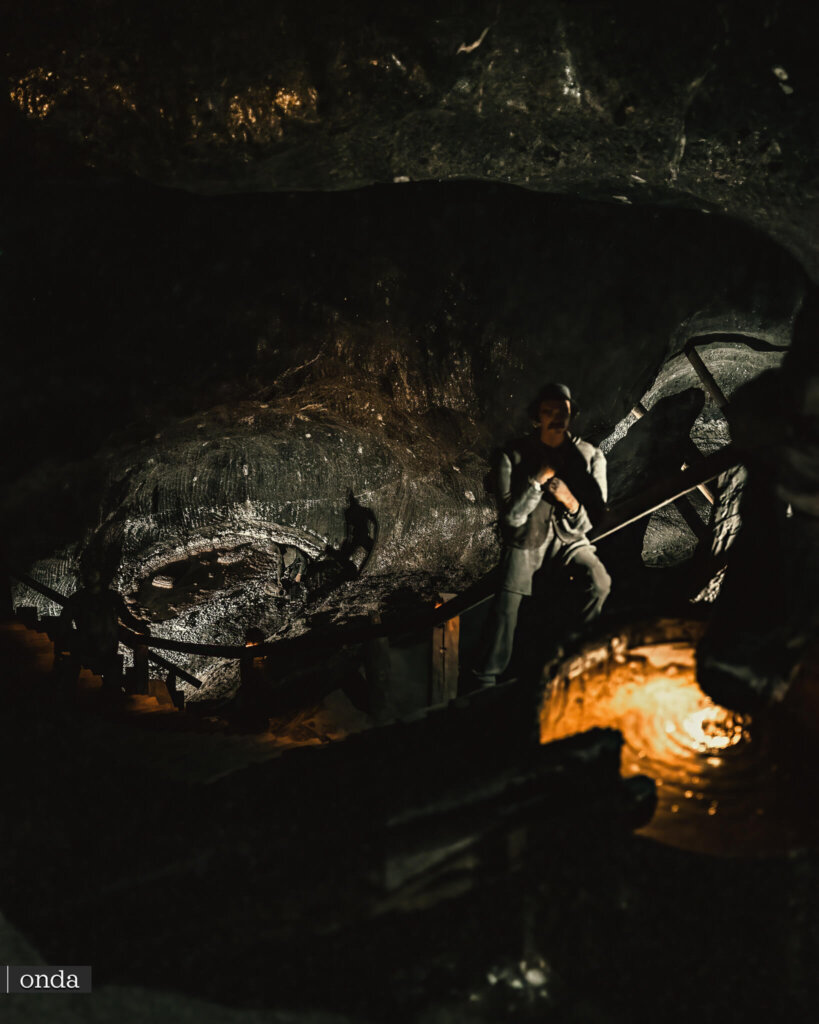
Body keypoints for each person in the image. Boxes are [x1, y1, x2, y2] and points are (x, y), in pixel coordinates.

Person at [472, 382, 610, 685]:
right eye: (549, 412)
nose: (557, 419)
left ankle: (575, 660)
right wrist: (536, 483)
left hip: (569, 541)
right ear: (538, 417)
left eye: (563, 412)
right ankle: (484, 680)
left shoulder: (591, 456)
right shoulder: (512, 455)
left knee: (598, 581)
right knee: (506, 612)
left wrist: (572, 502)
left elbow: (594, 520)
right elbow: (511, 517)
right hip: (526, 543)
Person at [56, 567, 151, 696]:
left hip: (99, 651)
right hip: (99, 650)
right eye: (88, 572)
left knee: (105, 689)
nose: (89, 575)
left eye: (92, 571)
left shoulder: (78, 599)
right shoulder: (108, 597)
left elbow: (127, 618)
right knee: (107, 690)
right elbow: (127, 619)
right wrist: (141, 629)